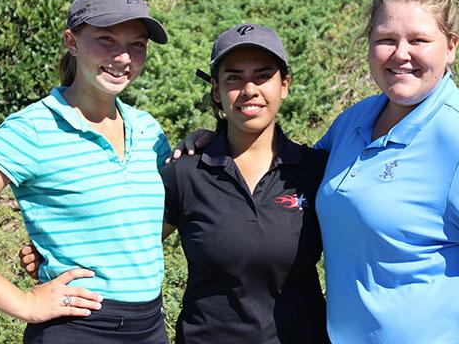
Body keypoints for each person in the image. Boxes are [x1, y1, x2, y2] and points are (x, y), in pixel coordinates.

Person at [167, 0, 459, 343]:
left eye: (419, 40)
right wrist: (217, 139)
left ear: (450, 46)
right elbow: (284, 163)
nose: (401, 54)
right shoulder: (355, 122)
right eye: (386, 39)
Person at [22, 23, 331, 343]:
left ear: (285, 85)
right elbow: (127, 242)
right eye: (234, 77)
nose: (249, 89)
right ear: (216, 89)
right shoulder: (187, 174)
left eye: (263, 75)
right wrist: (55, 251)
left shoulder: (317, 172)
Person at [0, 0, 171, 343]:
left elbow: (149, 222)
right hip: (78, 330)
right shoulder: (34, 130)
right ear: (72, 42)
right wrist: (23, 303)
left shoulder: (147, 129)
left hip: (150, 326)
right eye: (107, 40)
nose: (123, 58)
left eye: (137, 44)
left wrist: (206, 145)